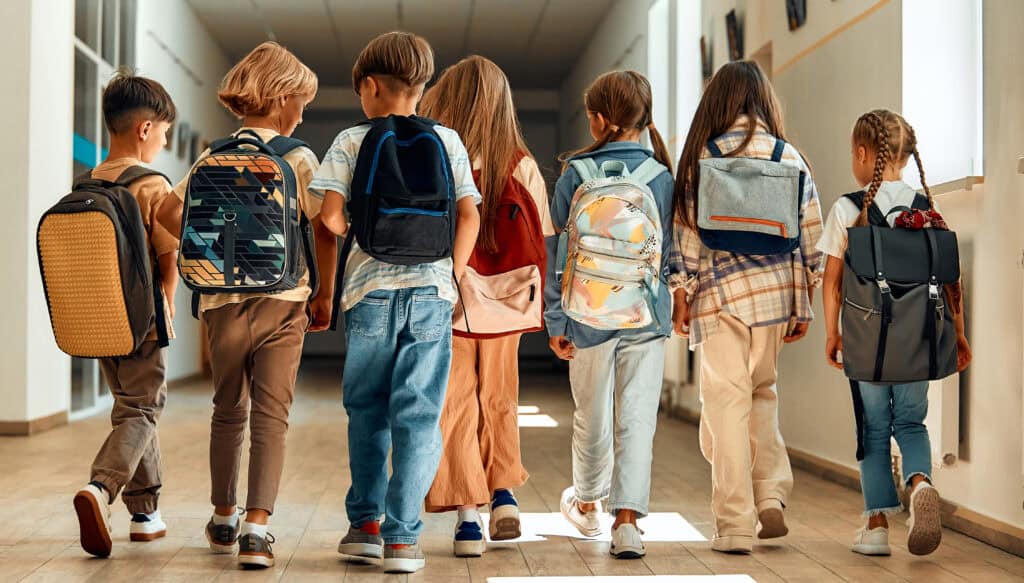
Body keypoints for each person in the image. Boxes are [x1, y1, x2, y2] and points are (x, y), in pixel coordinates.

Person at [310, 31, 482, 574]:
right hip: (431, 292)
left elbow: (331, 217)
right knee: (420, 414)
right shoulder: (448, 140)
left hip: (369, 293)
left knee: (367, 410)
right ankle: (403, 539)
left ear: (369, 86)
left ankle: (364, 525)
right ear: (422, 86)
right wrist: (449, 274)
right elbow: (470, 216)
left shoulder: (351, 139)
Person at [165, 41, 336, 569]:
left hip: (219, 304)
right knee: (271, 415)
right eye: (301, 102)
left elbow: (170, 214)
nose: (302, 112)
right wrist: (325, 291)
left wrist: (210, 250)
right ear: (282, 98)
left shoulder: (212, 155)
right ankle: (257, 531)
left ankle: (222, 516)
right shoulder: (299, 157)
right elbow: (325, 226)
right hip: (283, 301)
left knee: (226, 410)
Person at [669, 61, 823, 554]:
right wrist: (806, 302)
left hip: (720, 297)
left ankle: (734, 523)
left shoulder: (701, 158)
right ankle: (772, 495)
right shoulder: (788, 156)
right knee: (763, 393)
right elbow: (811, 236)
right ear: (764, 101)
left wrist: (680, 293)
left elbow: (686, 237)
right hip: (776, 296)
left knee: (726, 405)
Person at [818, 109, 972, 557]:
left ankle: (877, 525)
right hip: (920, 339)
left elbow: (831, 283)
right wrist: (958, 336)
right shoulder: (928, 209)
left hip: (869, 342)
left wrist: (833, 333)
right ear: (906, 157)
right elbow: (951, 283)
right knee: (910, 422)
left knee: (873, 426)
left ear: (864, 154)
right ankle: (921, 482)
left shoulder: (848, 208)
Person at [420, 55, 552, 557]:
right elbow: (542, 236)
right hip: (506, 301)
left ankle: (467, 517)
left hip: (451, 297)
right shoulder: (521, 162)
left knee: (454, 402)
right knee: (500, 395)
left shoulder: (440, 154)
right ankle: (504, 496)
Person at [546, 70, 675, 559]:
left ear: (598, 120)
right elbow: (670, 254)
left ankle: (588, 502)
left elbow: (558, 253)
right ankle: (627, 522)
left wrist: (557, 322)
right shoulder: (662, 176)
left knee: (591, 415)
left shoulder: (575, 174)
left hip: (588, 314)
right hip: (646, 313)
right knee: (637, 418)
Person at [73, 69, 178, 558]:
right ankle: (101, 488)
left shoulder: (85, 182)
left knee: (131, 406)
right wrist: (170, 302)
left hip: (95, 315)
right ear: (144, 129)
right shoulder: (151, 184)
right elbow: (167, 255)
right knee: (143, 407)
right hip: (140, 318)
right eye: (164, 131)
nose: (163, 140)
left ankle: (145, 514)